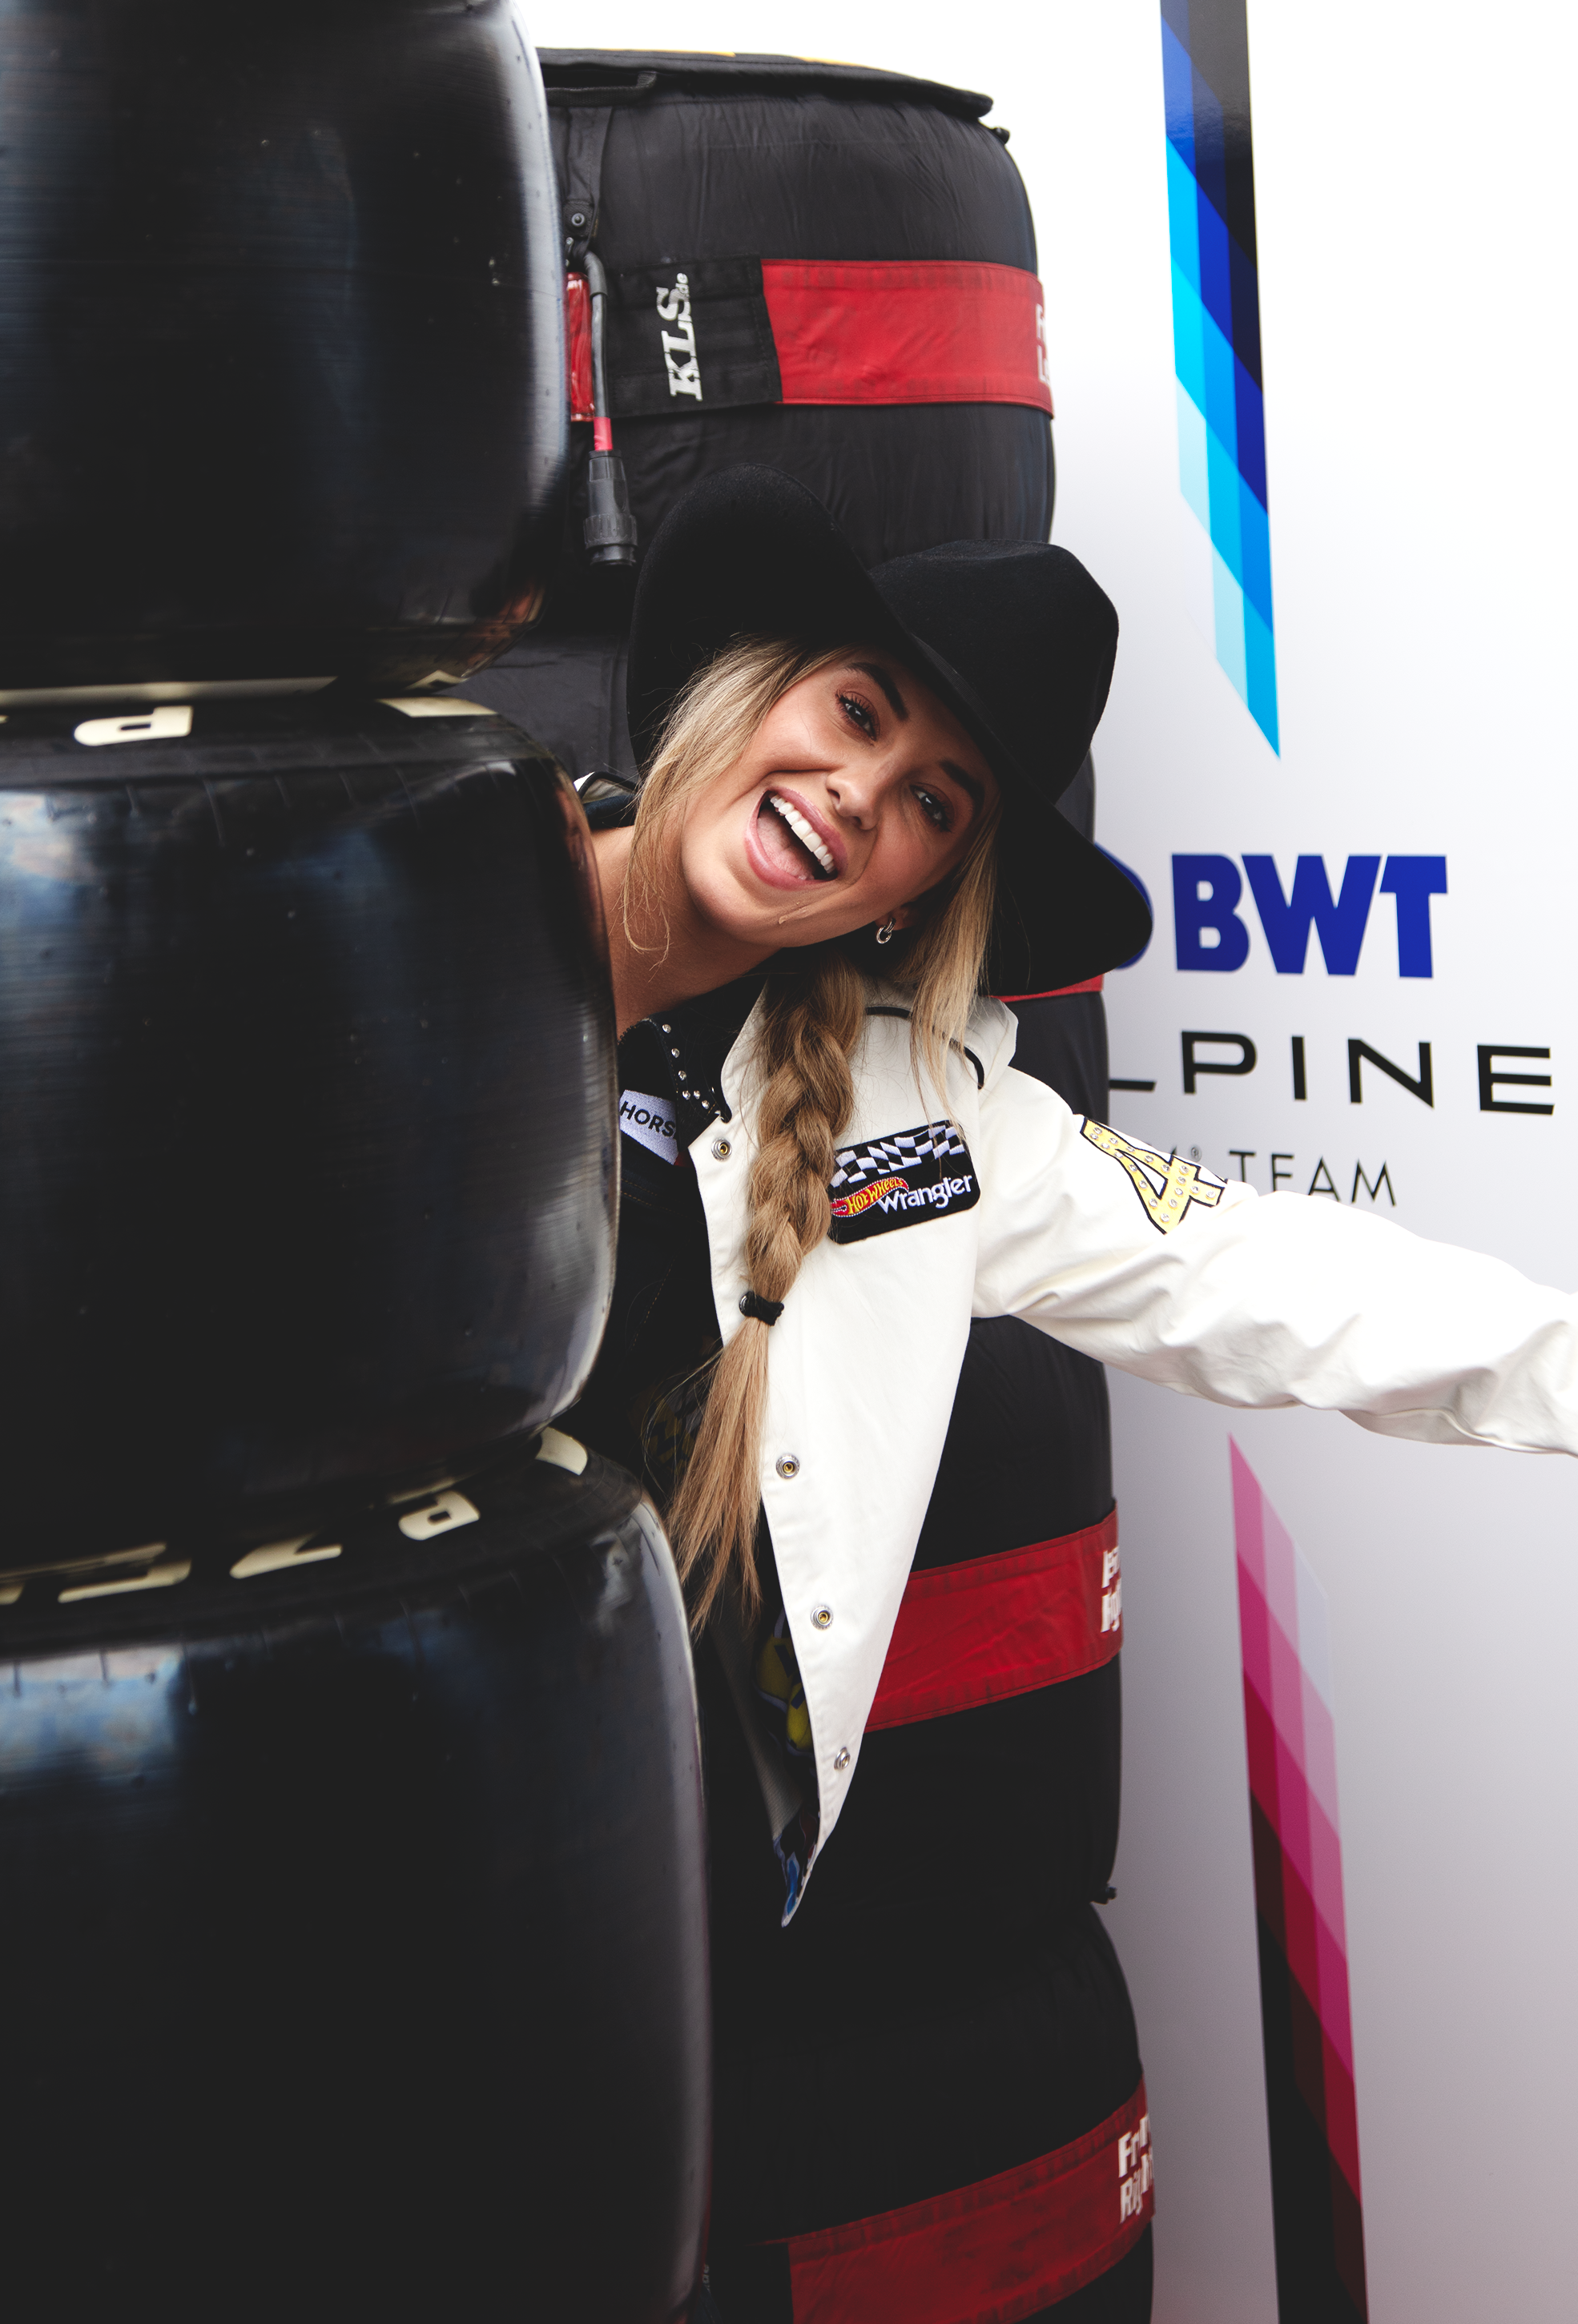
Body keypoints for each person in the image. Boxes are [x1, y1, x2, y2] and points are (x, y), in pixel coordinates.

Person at [562, 464, 1578, 2324]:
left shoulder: (929, 1119)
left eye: (932, 797)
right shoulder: (422, 914)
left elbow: (1270, 1277)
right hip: (343, 1834)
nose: (859, 792)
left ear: (937, 873)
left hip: (662, 1949)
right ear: (758, 683)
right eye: (857, 711)